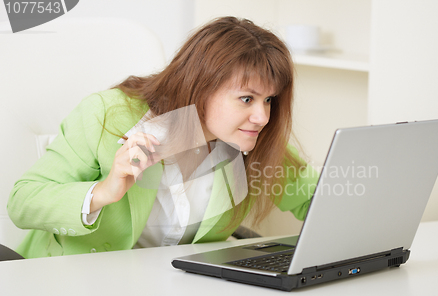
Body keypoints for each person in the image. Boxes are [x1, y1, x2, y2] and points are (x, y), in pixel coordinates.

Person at [7, 16, 319, 258]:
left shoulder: (248, 138)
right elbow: (23, 201)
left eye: (269, 100)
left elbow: (316, 200)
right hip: (74, 288)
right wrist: (103, 191)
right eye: (247, 99)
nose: (263, 117)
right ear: (202, 86)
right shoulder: (106, 115)